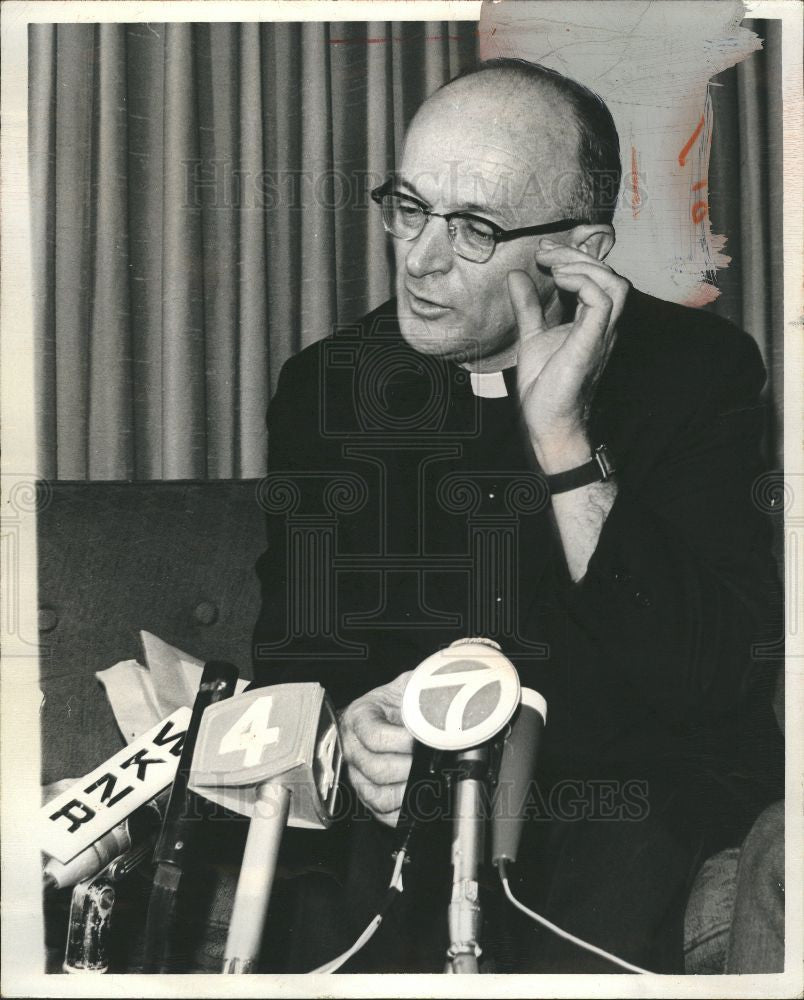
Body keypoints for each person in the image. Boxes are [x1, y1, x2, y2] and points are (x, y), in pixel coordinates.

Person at [250, 59, 783, 973]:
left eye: (475, 229)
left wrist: (564, 438)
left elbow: (708, 678)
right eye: (408, 206)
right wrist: (347, 728)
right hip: (411, 822)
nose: (419, 257)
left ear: (581, 249)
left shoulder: (699, 373)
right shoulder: (325, 387)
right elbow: (294, 656)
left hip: (626, 809)